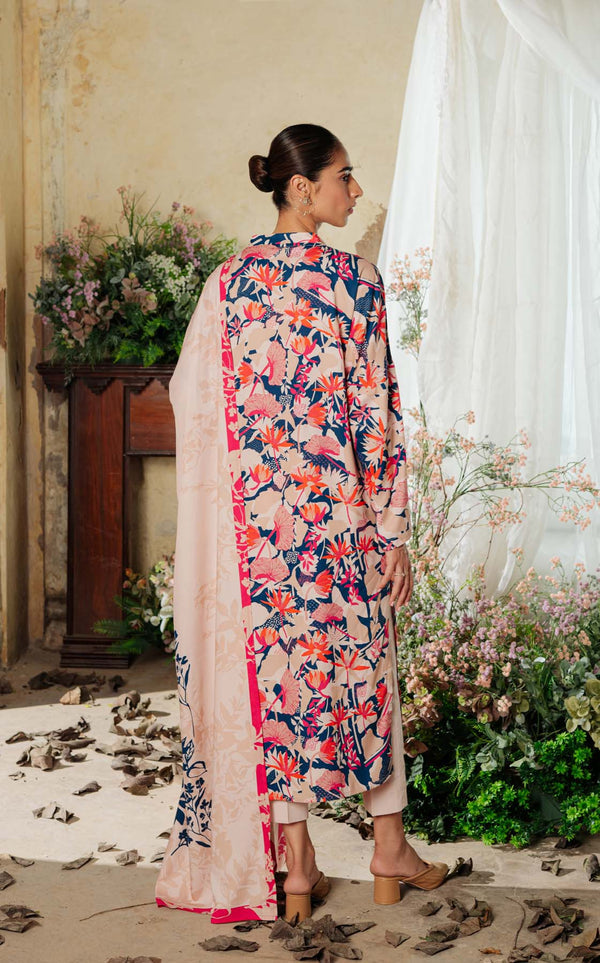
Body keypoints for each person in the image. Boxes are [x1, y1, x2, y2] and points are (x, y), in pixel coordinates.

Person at [154, 123, 448, 925]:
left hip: (261, 535)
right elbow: (377, 418)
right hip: (342, 524)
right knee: (369, 674)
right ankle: (389, 847)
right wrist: (392, 530)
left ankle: (297, 867)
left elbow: (190, 395)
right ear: (301, 187)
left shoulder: (228, 283)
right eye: (345, 176)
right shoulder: (356, 281)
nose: (356, 190)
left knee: (277, 687)